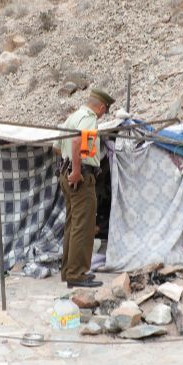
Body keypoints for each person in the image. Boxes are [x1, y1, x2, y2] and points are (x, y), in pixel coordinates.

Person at [58, 89, 114, 288]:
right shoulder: (89, 118)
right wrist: (76, 170)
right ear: (101, 107)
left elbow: (57, 145)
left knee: (72, 225)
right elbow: (77, 141)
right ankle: (77, 273)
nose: (102, 115)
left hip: (66, 174)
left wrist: (69, 168)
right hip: (80, 176)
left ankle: (68, 270)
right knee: (83, 226)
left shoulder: (72, 117)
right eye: (104, 111)